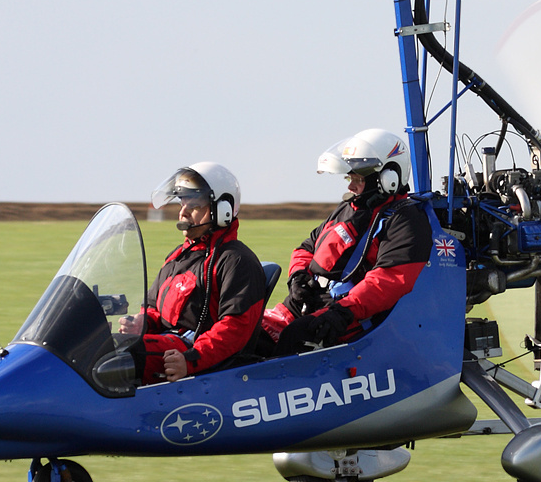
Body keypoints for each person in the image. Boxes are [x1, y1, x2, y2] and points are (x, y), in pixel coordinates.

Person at [261, 129, 432, 354]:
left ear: (388, 177)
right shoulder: (349, 208)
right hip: (302, 305)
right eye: (350, 178)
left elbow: (390, 279)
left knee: (294, 338)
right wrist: (298, 276)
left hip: (347, 316)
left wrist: (343, 312)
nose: (351, 187)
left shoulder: (406, 220)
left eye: (358, 179)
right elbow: (307, 247)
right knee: (253, 334)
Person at [115, 162, 266, 384]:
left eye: (193, 205)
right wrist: (141, 323)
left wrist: (191, 360)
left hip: (196, 357)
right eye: (182, 203)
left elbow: (234, 329)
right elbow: (155, 309)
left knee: (117, 356)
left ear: (222, 210)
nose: (183, 212)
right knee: (96, 345)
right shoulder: (177, 257)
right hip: (171, 347)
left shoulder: (237, 261)